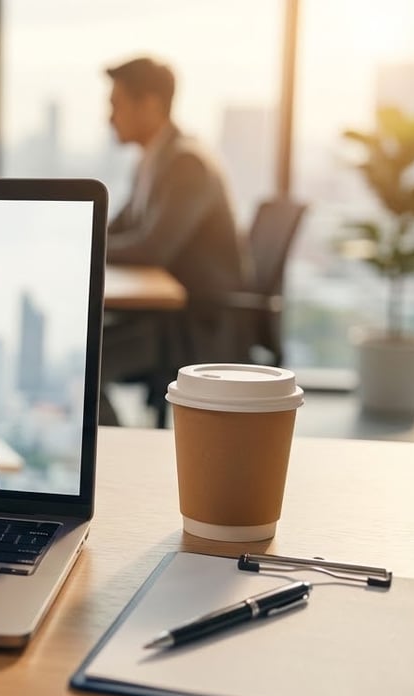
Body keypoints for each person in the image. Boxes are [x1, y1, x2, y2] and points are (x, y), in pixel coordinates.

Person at [101, 57, 253, 424]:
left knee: (85, 361)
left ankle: (114, 461)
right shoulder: (151, 162)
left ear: (150, 105)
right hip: (165, 319)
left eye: (116, 105)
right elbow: (117, 232)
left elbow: (152, 248)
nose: (109, 118)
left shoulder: (187, 164)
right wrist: (83, 241)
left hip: (194, 327)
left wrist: (86, 250)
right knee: (86, 350)